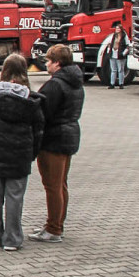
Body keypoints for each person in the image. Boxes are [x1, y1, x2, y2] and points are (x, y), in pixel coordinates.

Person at [0, 54, 44, 251]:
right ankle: (13, 239)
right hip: (20, 153)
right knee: (15, 197)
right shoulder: (31, 99)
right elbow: (39, 128)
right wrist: (33, 152)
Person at [30, 44, 85, 243]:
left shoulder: (56, 84)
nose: (46, 65)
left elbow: (43, 111)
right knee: (61, 184)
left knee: (52, 185)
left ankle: (53, 228)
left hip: (53, 138)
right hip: (69, 134)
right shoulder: (75, 82)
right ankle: (56, 223)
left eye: (48, 61)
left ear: (57, 63)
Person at [105, 22, 130, 89]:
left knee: (120, 70)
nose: (117, 29)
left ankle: (121, 84)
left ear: (121, 29)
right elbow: (110, 44)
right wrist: (109, 51)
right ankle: (112, 83)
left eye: (118, 28)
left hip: (120, 55)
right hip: (113, 53)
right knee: (113, 70)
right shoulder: (114, 35)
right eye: (116, 28)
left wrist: (123, 53)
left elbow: (128, 45)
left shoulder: (124, 36)